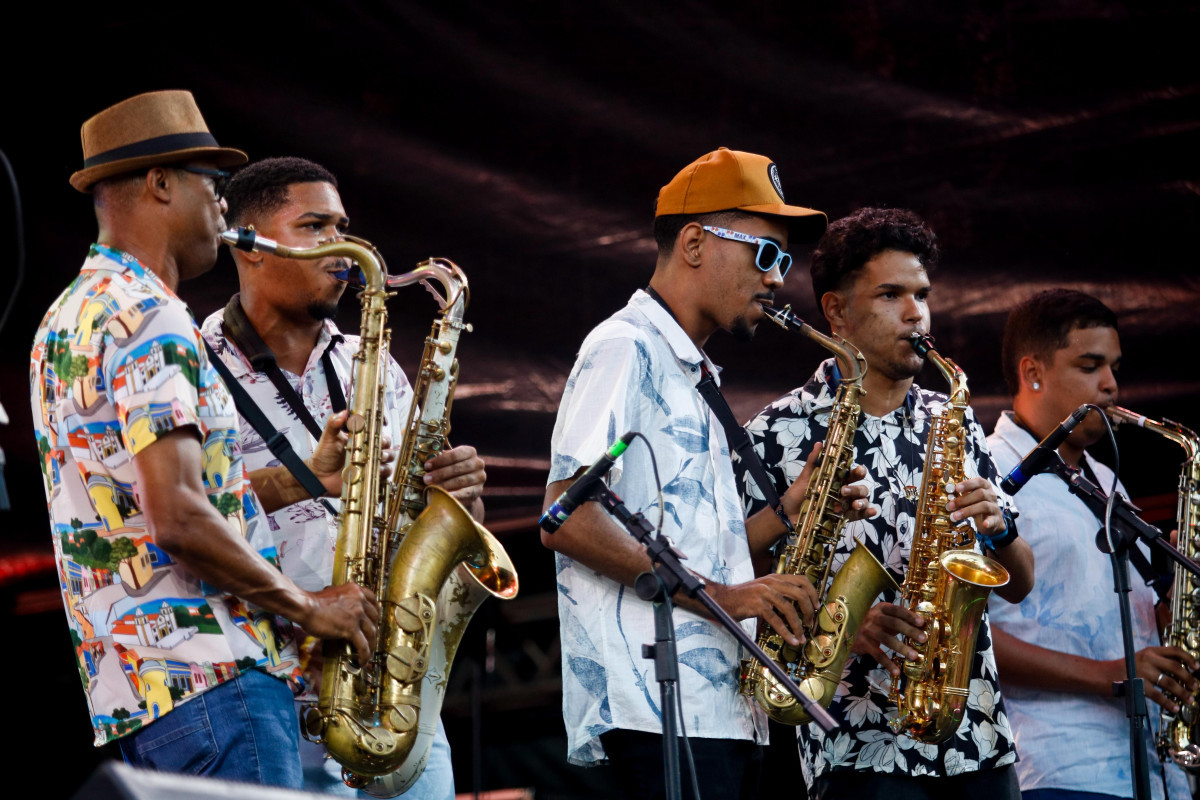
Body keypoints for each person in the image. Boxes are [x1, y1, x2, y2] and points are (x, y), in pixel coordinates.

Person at [31, 91, 379, 788]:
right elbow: (180, 517)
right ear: (160, 184)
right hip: (219, 680)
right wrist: (310, 608)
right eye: (213, 187)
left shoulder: (64, 320)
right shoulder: (150, 316)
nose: (223, 209)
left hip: (138, 696)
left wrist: (305, 477)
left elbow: (133, 501)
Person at [542, 147, 877, 800]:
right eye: (767, 255)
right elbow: (564, 515)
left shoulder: (692, 372)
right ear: (695, 242)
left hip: (722, 712)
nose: (780, 278)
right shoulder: (624, 347)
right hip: (655, 710)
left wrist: (792, 512)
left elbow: (693, 549)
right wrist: (728, 598)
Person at [202, 156, 485, 799]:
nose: (344, 248)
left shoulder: (370, 358)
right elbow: (184, 512)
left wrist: (455, 495)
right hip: (268, 700)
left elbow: (426, 524)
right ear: (251, 244)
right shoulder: (194, 363)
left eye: (343, 225)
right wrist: (303, 478)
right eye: (316, 227)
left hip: (391, 694)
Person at [738, 206, 1035, 799]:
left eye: (922, 294)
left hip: (974, 732)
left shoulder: (952, 418)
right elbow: (732, 582)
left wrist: (999, 529)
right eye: (891, 294)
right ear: (836, 310)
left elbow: (1020, 584)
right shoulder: (775, 431)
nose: (915, 313)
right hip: (855, 744)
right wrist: (842, 620)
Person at [987, 288, 1196, 800]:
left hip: (1153, 766)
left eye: (1114, 367)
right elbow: (969, 632)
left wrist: (1176, 602)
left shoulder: (1106, 478)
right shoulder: (986, 473)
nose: (1111, 385)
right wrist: (1113, 676)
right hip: (1055, 764)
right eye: (1090, 366)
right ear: (1033, 371)